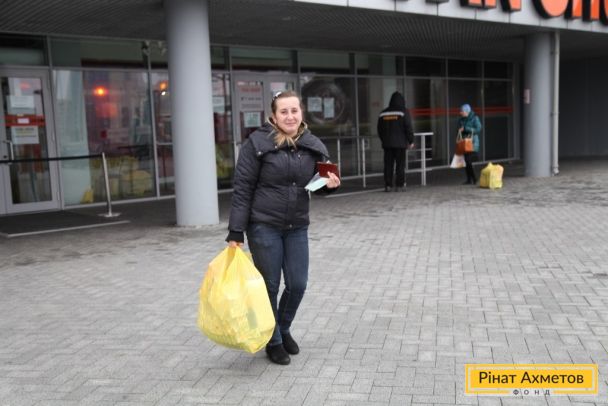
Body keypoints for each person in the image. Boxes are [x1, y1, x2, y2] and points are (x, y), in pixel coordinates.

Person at [226, 90, 340, 365]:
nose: (290, 116)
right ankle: (274, 340)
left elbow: (319, 182)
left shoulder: (312, 144)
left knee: (298, 284)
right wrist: (236, 230)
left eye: (294, 110)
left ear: (301, 113)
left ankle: (283, 327)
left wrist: (330, 185)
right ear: (274, 116)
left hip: (297, 225)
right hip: (263, 225)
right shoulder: (257, 143)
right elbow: (243, 189)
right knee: (269, 285)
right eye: (284, 111)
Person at [377, 91, 415, 192]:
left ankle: (388, 185)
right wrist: (411, 141)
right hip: (400, 144)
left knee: (388, 165)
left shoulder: (383, 113)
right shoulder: (403, 112)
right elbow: (408, 127)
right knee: (400, 165)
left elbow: (379, 129)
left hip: (387, 144)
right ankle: (400, 185)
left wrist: (384, 140)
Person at [457, 103, 482, 185]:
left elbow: (478, 129)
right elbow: (459, 129)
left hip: (472, 142)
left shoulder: (474, 118)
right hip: (464, 142)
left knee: (468, 160)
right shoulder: (461, 119)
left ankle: (474, 179)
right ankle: (469, 179)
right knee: (466, 161)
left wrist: (466, 128)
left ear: (467, 111)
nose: (460, 113)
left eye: (462, 111)